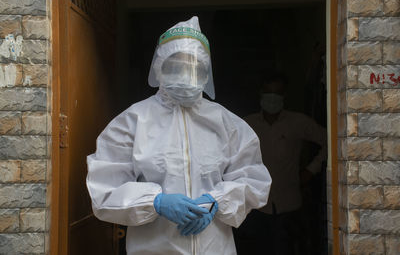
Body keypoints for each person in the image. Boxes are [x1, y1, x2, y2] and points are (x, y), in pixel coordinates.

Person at [86, 16, 271, 255]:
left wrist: (217, 201)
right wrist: (155, 202)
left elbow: (254, 179)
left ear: (206, 73)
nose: (185, 75)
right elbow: (104, 189)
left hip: (215, 248)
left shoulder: (226, 123)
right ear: (158, 68)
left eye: (195, 67)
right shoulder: (132, 122)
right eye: (175, 67)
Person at [238, 72, 327, 255]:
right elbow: (233, 157)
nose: (272, 97)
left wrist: (311, 170)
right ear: (260, 93)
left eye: (277, 92)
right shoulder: (247, 124)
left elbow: (332, 141)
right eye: (268, 91)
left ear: (284, 95)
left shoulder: (298, 122)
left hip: (289, 205)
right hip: (255, 206)